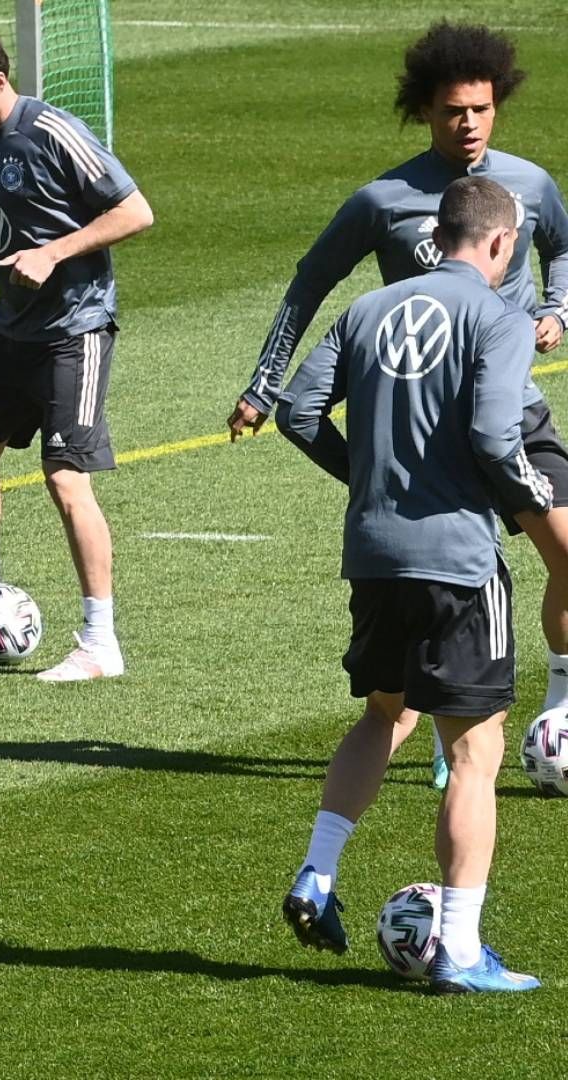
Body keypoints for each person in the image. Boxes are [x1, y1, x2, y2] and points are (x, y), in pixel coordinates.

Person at [230, 22, 568, 787]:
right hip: (425, 434)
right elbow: (309, 282)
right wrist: (262, 383)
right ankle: (458, 738)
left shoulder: (530, 185)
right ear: (426, 111)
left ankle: (557, 707)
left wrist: (559, 308)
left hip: (514, 417)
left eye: (482, 109)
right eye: (454, 111)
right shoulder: (385, 199)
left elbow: (564, 252)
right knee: (437, 604)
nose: (470, 124)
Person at [276, 175, 548, 994]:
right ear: (501, 244)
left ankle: (317, 873)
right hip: (457, 559)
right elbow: (498, 435)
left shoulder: (368, 309)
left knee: (383, 713)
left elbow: (296, 410)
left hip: (373, 553)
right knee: (475, 751)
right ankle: (459, 950)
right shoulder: (495, 317)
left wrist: (366, 479)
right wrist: (531, 501)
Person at [0, 20, 153, 682]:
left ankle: (99, 640)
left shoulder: (52, 129)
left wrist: (54, 254)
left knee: (63, 475)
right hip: (12, 325)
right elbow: (12, 214)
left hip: (74, 328)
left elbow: (136, 211)